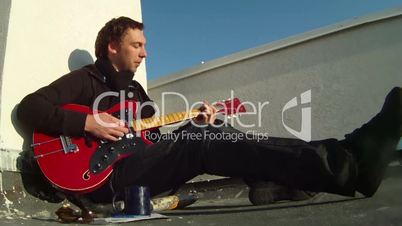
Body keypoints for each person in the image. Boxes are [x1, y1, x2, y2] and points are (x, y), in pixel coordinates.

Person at [17, 16, 402, 208]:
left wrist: (190, 123)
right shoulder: (86, 81)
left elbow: (158, 144)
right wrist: (87, 122)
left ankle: (271, 183)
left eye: (145, 45)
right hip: (104, 179)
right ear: (112, 47)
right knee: (203, 140)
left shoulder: (136, 92)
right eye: (137, 45)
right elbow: (28, 109)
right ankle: (346, 162)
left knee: (211, 126)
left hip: (139, 166)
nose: (145, 53)